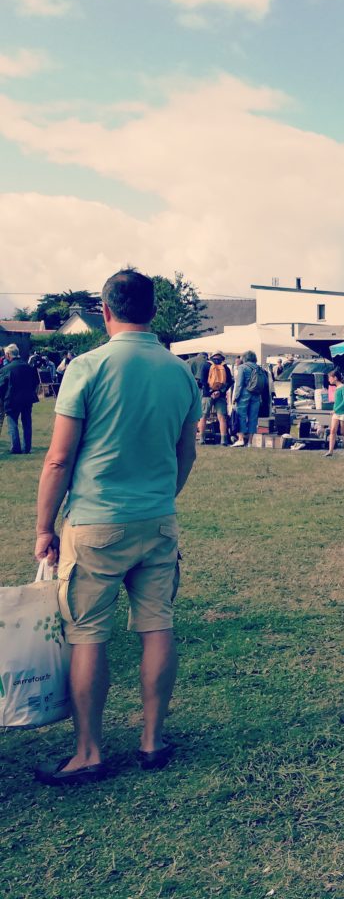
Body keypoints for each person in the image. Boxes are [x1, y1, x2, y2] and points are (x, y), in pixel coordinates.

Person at [32, 268, 201, 785]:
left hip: (96, 522)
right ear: (153, 309)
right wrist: (162, 498)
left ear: (105, 311)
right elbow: (186, 450)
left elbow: (58, 460)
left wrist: (44, 527)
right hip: (157, 521)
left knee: (87, 636)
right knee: (157, 626)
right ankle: (152, 740)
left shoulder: (87, 366)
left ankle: (89, 751)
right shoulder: (180, 371)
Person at [0, 343, 39, 453]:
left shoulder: (6, 369)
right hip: (27, 399)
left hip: (12, 399)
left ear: (8, 355)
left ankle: (15, 448)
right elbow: (35, 382)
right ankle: (27, 448)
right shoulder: (28, 367)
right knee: (27, 423)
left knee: (12, 423)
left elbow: (1, 385)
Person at [231, 350, 267, 448]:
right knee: (253, 418)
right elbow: (265, 383)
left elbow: (239, 384)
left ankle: (241, 439)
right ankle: (251, 442)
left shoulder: (242, 367)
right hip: (256, 395)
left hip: (244, 394)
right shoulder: (259, 368)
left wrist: (235, 397)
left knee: (241, 416)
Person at [198, 351, 233, 446]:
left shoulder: (206, 365)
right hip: (220, 395)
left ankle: (201, 439)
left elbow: (202, 381)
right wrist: (220, 392)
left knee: (203, 416)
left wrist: (210, 392)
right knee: (222, 417)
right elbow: (230, 381)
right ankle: (223, 440)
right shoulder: (225, 367)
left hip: (207, 394)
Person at [324, 369, 344, 457]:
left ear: (335, 378)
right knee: (332, 430)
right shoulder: (336, 388)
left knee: (343, 432)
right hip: (336, 413)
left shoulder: (343, 387)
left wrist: (335, 410)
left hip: (343, 412)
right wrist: (335, 410)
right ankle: (330, 451)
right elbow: (337, 401)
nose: (329, 380)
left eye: (330, 378)